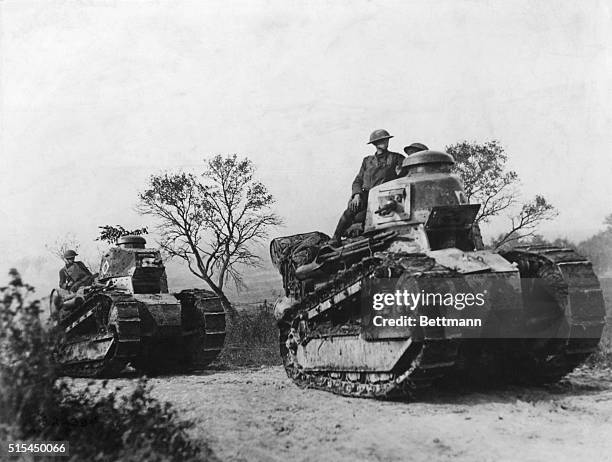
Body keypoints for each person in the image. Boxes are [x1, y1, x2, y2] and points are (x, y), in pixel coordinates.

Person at [329, 129, 405, 246]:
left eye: (386, 140)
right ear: (375, 144)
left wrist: (400, 171)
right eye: (381, 141)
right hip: (366, 194)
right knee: (351, 209)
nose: (385, 143)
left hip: (385, 194)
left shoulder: (396, 158)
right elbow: (358, 180)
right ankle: (336, 237)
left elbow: (405, 173)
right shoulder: (367, 161)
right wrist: (357, 194)